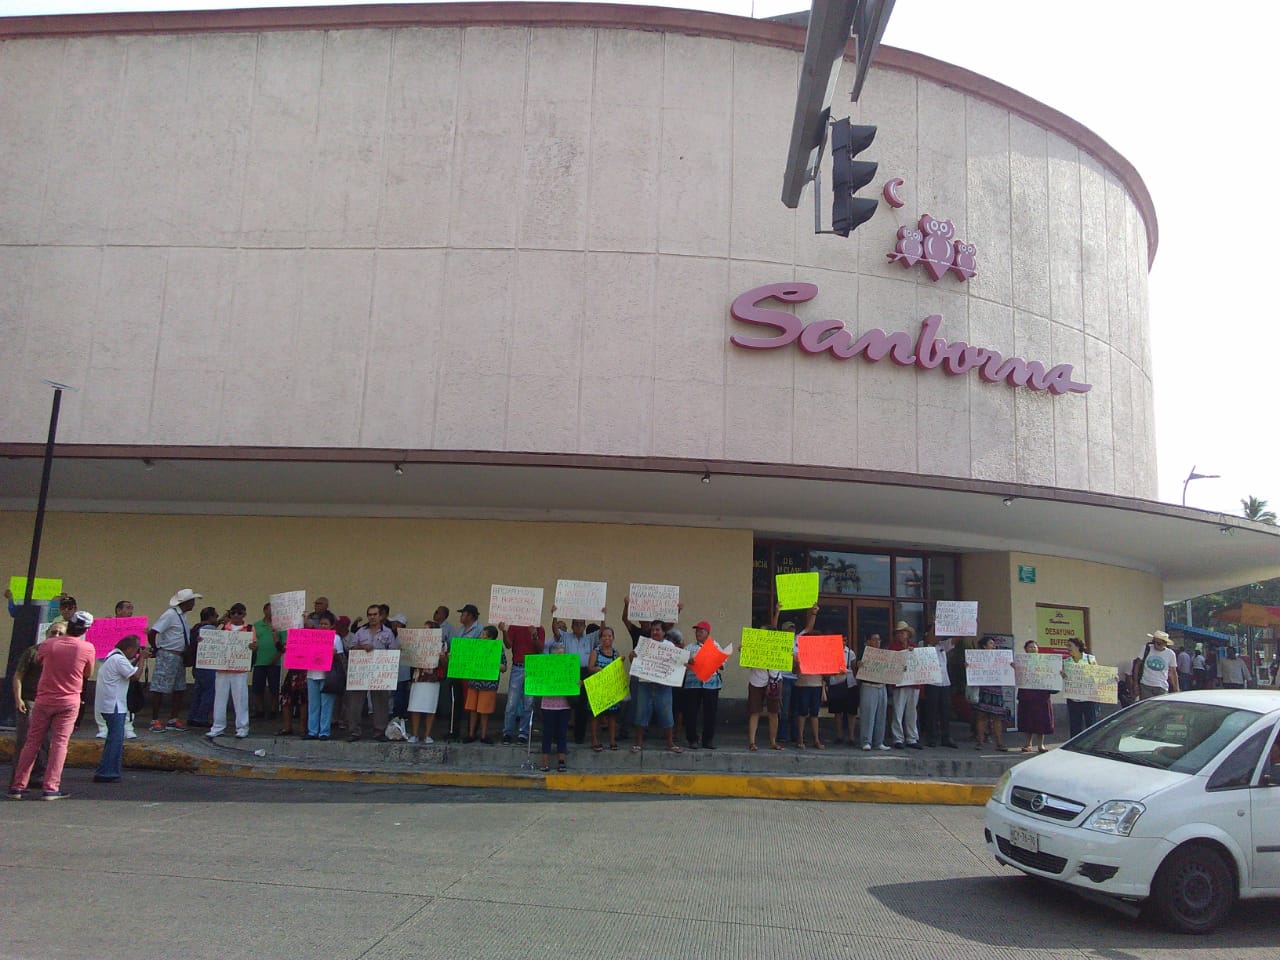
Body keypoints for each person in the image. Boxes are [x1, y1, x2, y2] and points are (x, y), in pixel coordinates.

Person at [8, 610, 96, 800]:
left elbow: (40, 659)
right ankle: (50, 787)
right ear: (84, 630)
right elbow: (88, 672)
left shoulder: (48, 645)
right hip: (69, 700)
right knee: (59, 744)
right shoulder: (87, 648)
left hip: (44, 698)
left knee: (32, 742)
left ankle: (18, 786)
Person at [11, 622, 65, 787]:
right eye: (53, 632)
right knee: (26, 739)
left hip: (52, 702)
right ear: (47, 634)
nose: (56, 636)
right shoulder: (33, 652)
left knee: (46, 742)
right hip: (30, 700)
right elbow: (18, 676)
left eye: (60, 634)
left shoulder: (64, 655)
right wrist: (18, 699)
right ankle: (18, 778)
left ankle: (38, 776)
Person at [94, 635, 150, 783]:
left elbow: (129, 668)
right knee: (115, 741)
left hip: (108, 704)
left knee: (112, 740)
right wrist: (143, 658)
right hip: (114, 706)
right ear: (129, 648)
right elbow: (135, 676)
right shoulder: (118, 660)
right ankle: (107, 773)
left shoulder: (112, 657)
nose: (136, 653)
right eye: (136, 650)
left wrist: (138, 659)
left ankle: (105, 769)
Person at [147, 588, 200, 730]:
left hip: (179, 655)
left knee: (179, 687)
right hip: (168, 654)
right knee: (160, 687)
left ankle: (173, 718)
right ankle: (155, 719)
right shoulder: (170, 615)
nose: (194, 604)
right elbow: (153, 632)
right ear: (186, 602)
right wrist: (156, 648)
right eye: (192, 601)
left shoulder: (182, 616)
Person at [344, 604, 399, 742]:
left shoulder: (387, 633)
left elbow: (392, 651)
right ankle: (354, 731)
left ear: (380, 616)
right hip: (361, 671)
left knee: (380, 701)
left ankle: (379, 731)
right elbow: (351, 648)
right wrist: (362, 647)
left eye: (375, 614)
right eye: (369, 614)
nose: (372, 617)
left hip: (379, 672)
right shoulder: (361, 632)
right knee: (355, 702)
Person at [630, 619, 682, 754]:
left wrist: (686, 661)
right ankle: (638, 743)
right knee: (641, 712)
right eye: (653, 630)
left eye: (657, 630)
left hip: (663, 685)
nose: (654, 632)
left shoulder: (670, 646)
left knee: (666, 714)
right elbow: (632, 659)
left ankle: (670, 743)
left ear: (664, 632)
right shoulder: (644, 644)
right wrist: (632, 656)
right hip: (645, 684)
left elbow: (678, 662)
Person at [549, 607, 599, 746]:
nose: (578, 626)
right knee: (564, 704)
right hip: (568, 671)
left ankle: (579, 737)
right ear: (571, 626)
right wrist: (555, 614)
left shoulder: (589, 638)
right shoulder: (565, 636)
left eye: (581, 624)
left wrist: (602, 615)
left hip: (584, 672)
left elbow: (602, 632)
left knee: (582, 706)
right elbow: (555, 629)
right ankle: (558, 735)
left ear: (584, 626)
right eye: (575, 624)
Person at [207, 603, 257, 740]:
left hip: (239, 669)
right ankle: (217, 726)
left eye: (239, 613)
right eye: (233, 613)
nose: (236, 615)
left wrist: (253, 647)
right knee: (219, 698)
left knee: (240, 698)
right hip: (223, 668)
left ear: (244, 614)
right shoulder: (224, 628)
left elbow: (253, 645)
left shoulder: (250, 629)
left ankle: (242, 727)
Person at [500, 620, 545, 745]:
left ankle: (523, 733)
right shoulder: (515, 625)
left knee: (529, 703)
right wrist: (504, 631)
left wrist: (535, 635)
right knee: (511, 703)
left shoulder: (539, 628)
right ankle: (507, 733)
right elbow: (508, 645)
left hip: (532, 667)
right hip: (517, 667)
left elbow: (541, 648)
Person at [679, 621, 722, 750]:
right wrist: (688, 661)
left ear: (708, 633)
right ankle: (692, 739)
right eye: (697, 631)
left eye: (701, 631)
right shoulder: (689, 648)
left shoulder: (715, 646)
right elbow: (681, 664)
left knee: (710, 713)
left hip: (711, 684)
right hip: (693, 684)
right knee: (691, 713)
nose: (698, 633)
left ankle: (708, 740)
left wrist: (713, 660)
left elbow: (722, 664)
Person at [444, 604, 483, 740]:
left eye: (463, 614)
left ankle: (471, 731)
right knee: (456, 699)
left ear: (471, 616)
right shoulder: (460, 630)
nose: (461, 616)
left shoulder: (479, 630)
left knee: (471, 702)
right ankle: (454, 730)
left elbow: (479, 649)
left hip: (470, 671)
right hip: (457, 669)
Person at [304, 610, 345, 740]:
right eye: (321, 624)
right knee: (313, 705)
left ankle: (324, 732)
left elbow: (340, 657)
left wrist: (333, 654)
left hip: (328, 676)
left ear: (332, 625)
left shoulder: (336, 638)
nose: (323, 626)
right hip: (312, 674)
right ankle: (312, 731)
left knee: (326, 705)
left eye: (326, 624)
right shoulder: (312, 636)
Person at [464, 625, 506, 744]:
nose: (481, 637)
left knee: (484, 711)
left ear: (490, 637)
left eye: (484, 635)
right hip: (474, 682)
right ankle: (471, 734)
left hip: (488, 684)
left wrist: (495, 664)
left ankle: (483, 735)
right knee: (472, 709)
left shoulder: (497, 648)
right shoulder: (476, 646)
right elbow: (465, 658)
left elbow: (504, 667)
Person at [407, 619, 445, 745]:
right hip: (418, 678)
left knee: (430, 707)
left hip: (433, 680)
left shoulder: (442, 644)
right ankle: (415, 734)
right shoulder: (416, 644)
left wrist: (442, 657)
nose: (424, 632)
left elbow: (445, 664)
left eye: (427, 630)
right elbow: (409, 659)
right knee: (415, 706)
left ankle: (427, 734)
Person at [588, 626, 624, 751]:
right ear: (600, 638)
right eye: (604, 636)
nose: (607, 638)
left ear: (613, 638)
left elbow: (619, 671)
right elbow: (590, 668)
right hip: (598, 689)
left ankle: (612, 740)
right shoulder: (595, 652)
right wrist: (596, 669)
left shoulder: (616, 653)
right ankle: (594, 740)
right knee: (596, 716)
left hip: (611, 689)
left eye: (609, 636)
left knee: (612, 716)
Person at [888, 621, 923, 750]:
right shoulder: (893, 648)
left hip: (913, 683)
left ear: (908, 634)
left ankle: (912, 738)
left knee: (912, 712)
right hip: (900, 683)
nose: (900, 635)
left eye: (902, 633)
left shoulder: (914, 647)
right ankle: (898, 738)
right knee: (898, 711)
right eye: (898, 633)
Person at [920, 631, 957, 748]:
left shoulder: (942, 645)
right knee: (932, 711)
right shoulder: (923, 645)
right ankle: (932, 737)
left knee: (945, 711)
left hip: (944, 682)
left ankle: (946, 737)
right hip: (932, 682)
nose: (938, 636)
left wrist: (967, 627)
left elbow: (955, 640)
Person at [972, 637, 1009, 752]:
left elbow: (1006, 670)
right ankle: (980, 742)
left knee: (997, 717)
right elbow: (972, 670)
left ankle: (999, 743)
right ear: (984, 646)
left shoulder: (1000, 658)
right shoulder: (977, 658)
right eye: (991, 643)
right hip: (983, 689)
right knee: (981, 716)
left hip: (996, 690)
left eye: (994, 644)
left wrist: (1011, 667)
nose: (994, 646)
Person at [1016, 640, 1054, 753]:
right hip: (1026, 696)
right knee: (1028, 720)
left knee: (1041, 721)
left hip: (1041, 696)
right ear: (1025, 649)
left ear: (1038, 649)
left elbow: (1051, 674)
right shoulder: (1021, 662)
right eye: (1030, 647)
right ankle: (1028, 744)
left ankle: (1041, 745)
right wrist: (1015, 668)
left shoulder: (1045, 662)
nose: (1033, 649)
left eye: (1035, 647)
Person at [855, 632, 890, 751]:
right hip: (868, 686)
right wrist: (858, 664)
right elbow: (856, 664)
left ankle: (878, 741)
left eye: (879, 639)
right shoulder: (863, 653)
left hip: (882, 686)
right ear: (869, 641)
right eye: (874, 639)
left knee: (881, 715)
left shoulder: (885, 654)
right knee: (868, 715)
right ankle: (866, 741)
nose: (877, 642)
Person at [186, 605, 219, 728]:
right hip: (208, 665)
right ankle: (201, 717)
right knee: (209, 692)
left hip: (197, 664)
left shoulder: (196, 628)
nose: (217, 618)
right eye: (216, 616)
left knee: (198, 692)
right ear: (210, 617)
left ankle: (192, 716)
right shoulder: (210, 628)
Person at [250, 602, 284, 720]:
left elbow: (284, 644)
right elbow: (251, 641)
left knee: (274, 688)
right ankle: (259, 709)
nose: (271, 612)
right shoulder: (256, 625)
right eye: (269, 610)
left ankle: (274, 710)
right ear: (264, 610)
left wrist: (277, 657)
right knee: (257, 687)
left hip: (275, 661)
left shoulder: (280, 625)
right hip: (259, 661)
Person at [1061, 637, 1098, 738]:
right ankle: (1075, 745)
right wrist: (1063, 676)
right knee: (1075, 725)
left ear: (1078, 646)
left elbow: (1098, 674)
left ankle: (1092, 744)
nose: (1067, 648)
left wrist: (1111, 678)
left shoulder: (1090, 659)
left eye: (1070, 646)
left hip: (1088, 698)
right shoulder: (1066, 661)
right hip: (1073, 698)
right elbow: (1066, 678)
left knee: (1091, 724)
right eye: (1067, 646)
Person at [825, 635, 856, 745]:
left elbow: (854, 668)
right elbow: (827, 668)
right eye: (841, 640)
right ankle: (839, 735)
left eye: (845, 640)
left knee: (851, 712)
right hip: (836, 682)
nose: (843, 642)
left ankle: (851, 737)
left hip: (849, 684)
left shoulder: (850, 653)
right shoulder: (830, 652)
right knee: (838, 712)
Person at [1132, 629, 1179, 700]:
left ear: (1165, 643)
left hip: (1161, 686)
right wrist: (1135, 683)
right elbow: (1137, 665)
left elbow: (1173, 672)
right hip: (1145, 685)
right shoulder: (1146, 649)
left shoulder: (1170, 654)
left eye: (1159, 643)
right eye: (1155, 643)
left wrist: (1176, 689)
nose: (1156, 645)